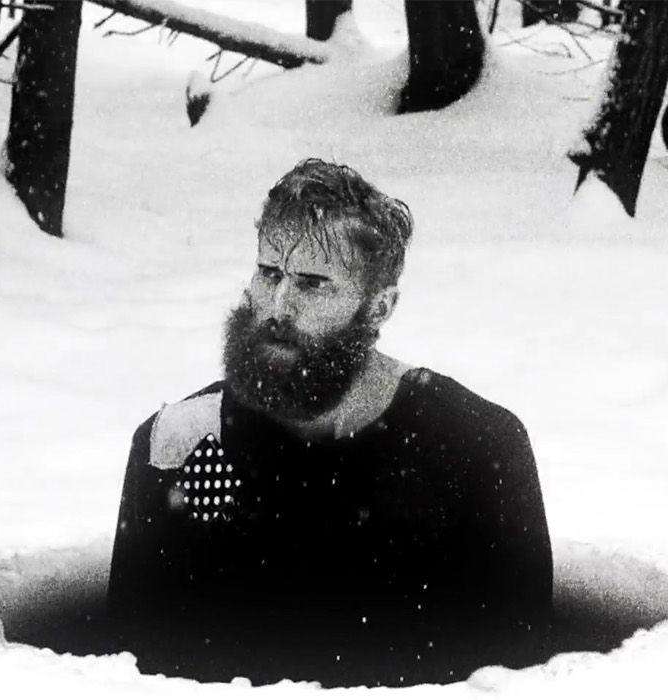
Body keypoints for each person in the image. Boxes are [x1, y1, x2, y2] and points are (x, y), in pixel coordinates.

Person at [106, 159, 553, 687]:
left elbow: (519, 676)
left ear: (379, 306)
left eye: (313, 284)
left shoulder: (476, 446)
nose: (277, 306)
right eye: (269, 273)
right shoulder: (184, 441)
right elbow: (130, 668)